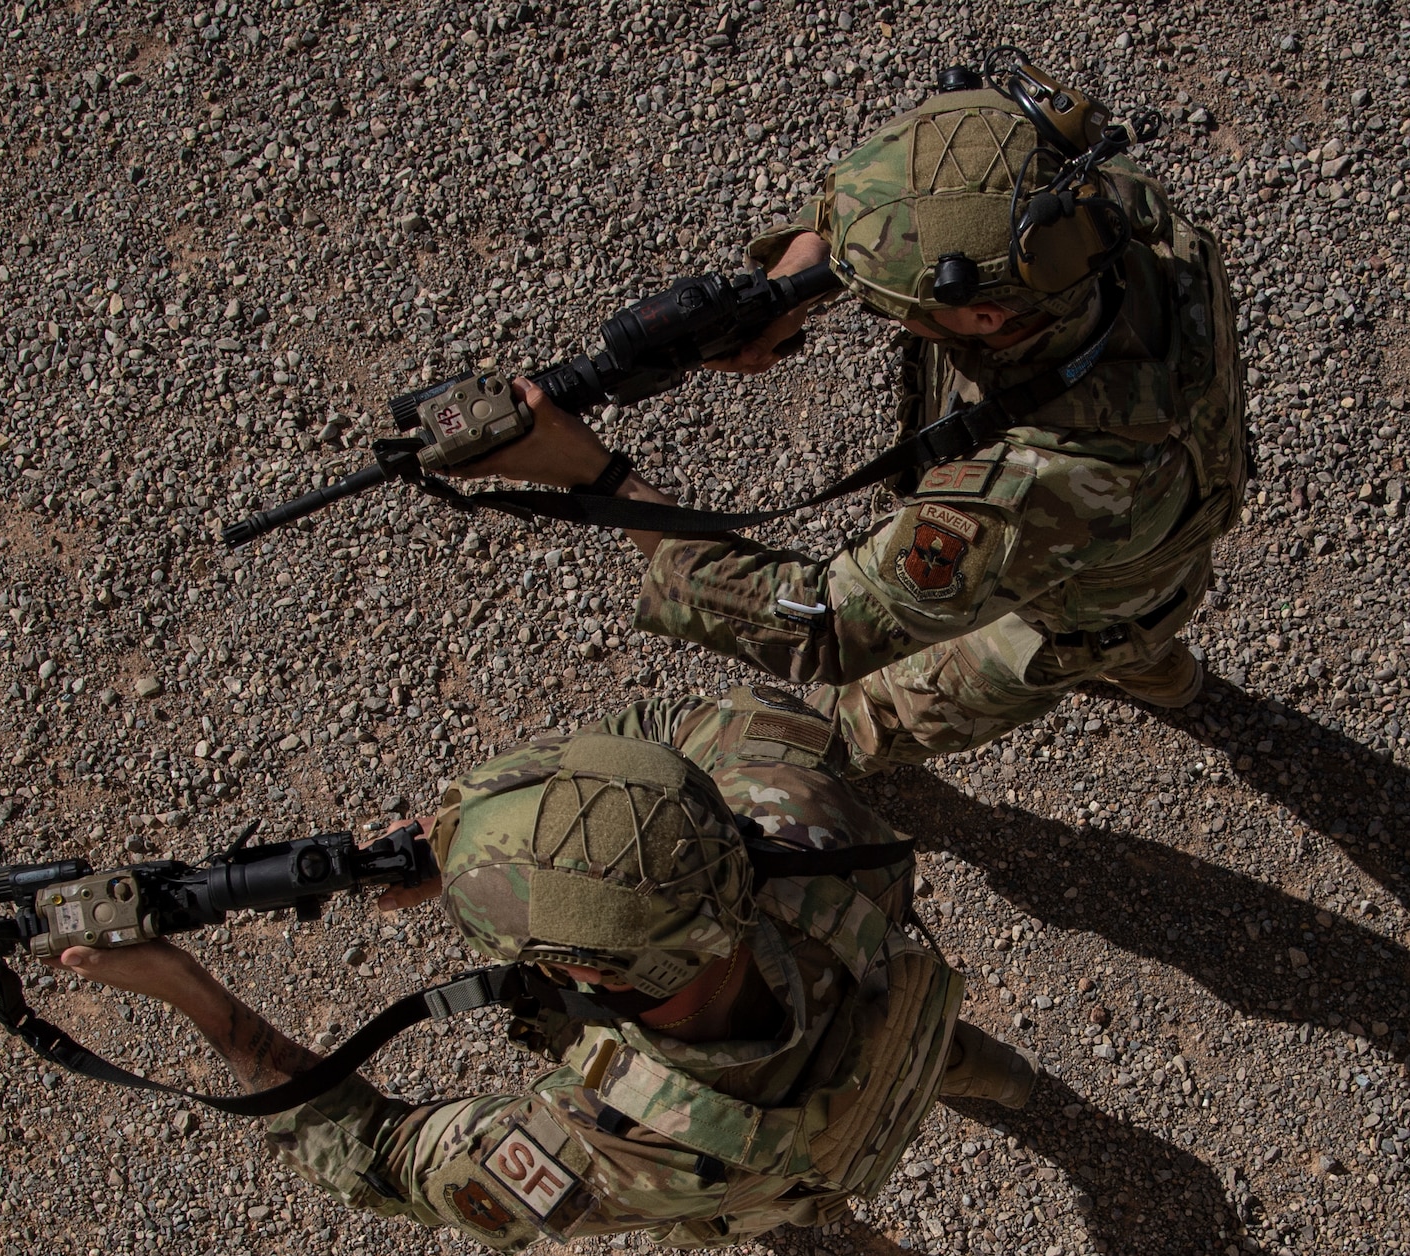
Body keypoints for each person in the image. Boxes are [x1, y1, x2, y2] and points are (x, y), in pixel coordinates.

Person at [449, 61, 1247, 776]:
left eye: (887, 299)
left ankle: (1132, 658)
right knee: (1137, 614)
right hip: (1157, 555)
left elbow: (823, 623)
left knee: (869, 712)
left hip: (1063, 611)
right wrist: (800, 271)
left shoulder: (1036, 481)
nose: (872, 305)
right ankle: (1160, 667)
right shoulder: (1107, 209)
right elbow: (940, 177)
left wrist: (596, 475)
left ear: (983, 321)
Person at [56, 688, 1037, 1250]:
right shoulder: (781, 788)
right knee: (922, 1043)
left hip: (761, 1166)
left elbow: (379, 1157)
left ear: (590, 975)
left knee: (726, 1201)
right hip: (885, 999)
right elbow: (665, 748)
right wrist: (524, 845)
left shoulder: (606, 1145)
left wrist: (188, 991)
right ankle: (995, 1077)